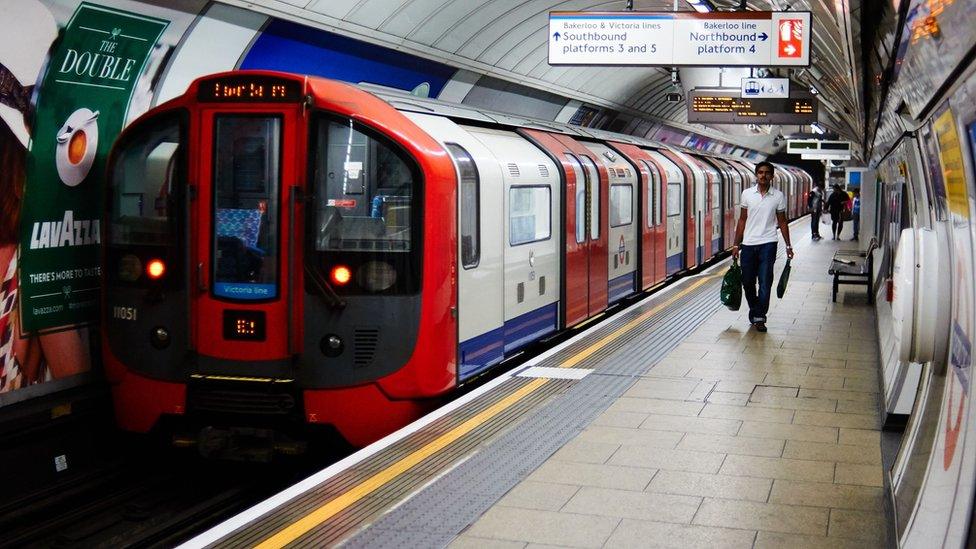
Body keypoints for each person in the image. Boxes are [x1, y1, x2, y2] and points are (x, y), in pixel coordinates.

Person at [732, 162, 794, 333]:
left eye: (767, 173)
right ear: (756, 175)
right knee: (748, 282)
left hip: (768, 243)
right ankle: (755, 311)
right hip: (749, 244)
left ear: (772, 176)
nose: (763, 175)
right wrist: (736, 244)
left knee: (765, 282)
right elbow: (742, 220)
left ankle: (760, 317)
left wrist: (788, 245)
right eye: (760, 172)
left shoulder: (778, 196)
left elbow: (782, 221)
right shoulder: (747, 194)